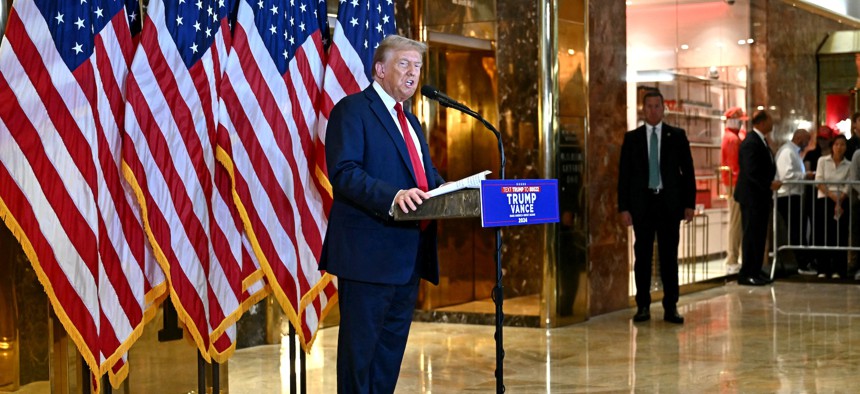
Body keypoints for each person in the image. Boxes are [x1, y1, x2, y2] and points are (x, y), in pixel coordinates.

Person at [321, 35, 446, 393]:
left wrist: (457, 191)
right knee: (360, 358)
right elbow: (344, 172)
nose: (413, 72)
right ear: (380, 69)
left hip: (407, 257)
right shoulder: (353, 110)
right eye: (404, 64)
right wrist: (393, 196)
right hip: (368, 256)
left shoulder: (411, 122)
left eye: (417, 66)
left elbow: (426, 179)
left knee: (388, 356)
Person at [618, 89, 696, 325]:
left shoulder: (677, 136)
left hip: (668, 204)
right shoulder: (632, 139)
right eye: (649, 106)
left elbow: (688, 173)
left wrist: (689, 204)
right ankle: (643, 305)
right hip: (642, 205)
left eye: (657, 106)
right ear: (643, 109)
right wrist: (624, 207)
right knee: (642, 256)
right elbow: (624, 176)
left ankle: (671, 306)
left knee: (669, 256)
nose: (653, 110)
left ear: (664, 108)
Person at [734, 110, 782, 286]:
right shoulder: (751, 142)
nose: (772, 123)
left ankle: (755, 268)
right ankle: (747, 272)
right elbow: (750, 171)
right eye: (769, 120)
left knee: (759, 234)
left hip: (760, 197)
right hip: (751, 197)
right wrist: (768, 184)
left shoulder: (761, 141)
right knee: (751, 234)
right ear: (761, 122)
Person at [774, 129, 812, 274]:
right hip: (787, 195)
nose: (807, 144)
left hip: (792, 195)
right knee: (796, 229)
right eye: (806, 140)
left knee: (798, 228)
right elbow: (786, 175)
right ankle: (801, 263)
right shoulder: (787, 152)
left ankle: (803, 261)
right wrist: (804, 176)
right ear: (799, 138)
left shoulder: (792, 152)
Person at [814, 134, 851, 279]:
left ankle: (838, 269)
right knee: (823, 234)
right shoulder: (822, 161)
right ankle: (823, 268)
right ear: (832, 147)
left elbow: (849, 184)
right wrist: (831, 195)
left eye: (842, 145)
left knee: (839, 235)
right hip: (824, 199)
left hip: (842, 201)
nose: (839, 147)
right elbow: (819, 180)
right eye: (836, 144)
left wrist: (839, 200)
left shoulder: (848, 165)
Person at [721, 107, 747, 275]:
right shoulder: (732, 139)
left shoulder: (733, 137)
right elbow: (734, 166)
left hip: (733, 182)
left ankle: (733, 257)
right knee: (736, 221)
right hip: (735, 183)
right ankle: (732, 258)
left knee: (736, 221)